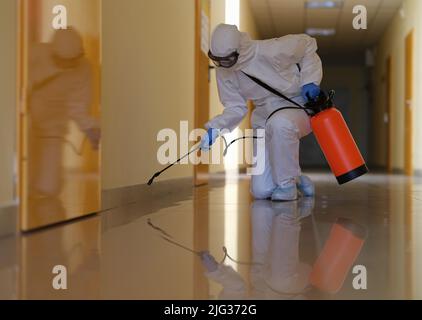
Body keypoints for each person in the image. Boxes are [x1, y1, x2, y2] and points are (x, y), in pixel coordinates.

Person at [200, 24, 323, 201]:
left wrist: (310, 80)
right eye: (216, 59)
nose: (221, 65)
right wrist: (216, 128)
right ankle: (297, 177)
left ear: (239, 50)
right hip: (263, 115)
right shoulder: (224, 71)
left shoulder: (271, 50)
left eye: (226, 60)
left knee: (279, 124)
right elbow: (236, 106)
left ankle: (287, 185)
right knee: (261, 191)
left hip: (295, 105)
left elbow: (309, 44)